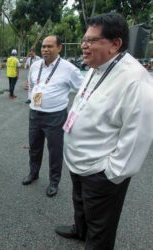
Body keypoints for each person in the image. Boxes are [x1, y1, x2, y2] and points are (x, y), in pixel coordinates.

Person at [55, 13, 153, 249]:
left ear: (115, 44)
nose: (83, 46)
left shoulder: (134, 79)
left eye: (91, 40)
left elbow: (137, 136)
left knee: (101, 228)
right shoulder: (95, 67)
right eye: (84, 40)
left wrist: (112, 174)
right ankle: (80, 230)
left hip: (101, 171)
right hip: (79, 160)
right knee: (81, 204)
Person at [21, 35, 83, 197]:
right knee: (34, 147)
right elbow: (32, 85)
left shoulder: (69, 68)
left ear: (59, 47)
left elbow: (82, 92)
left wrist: (75, 112)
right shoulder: (35, 66)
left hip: (56, 116)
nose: (45, 50)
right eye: (43, 46)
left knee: (55, 151)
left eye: (50, 46)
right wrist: (31, 100)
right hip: (35, 114)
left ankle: (54, 181)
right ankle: (33, 173)